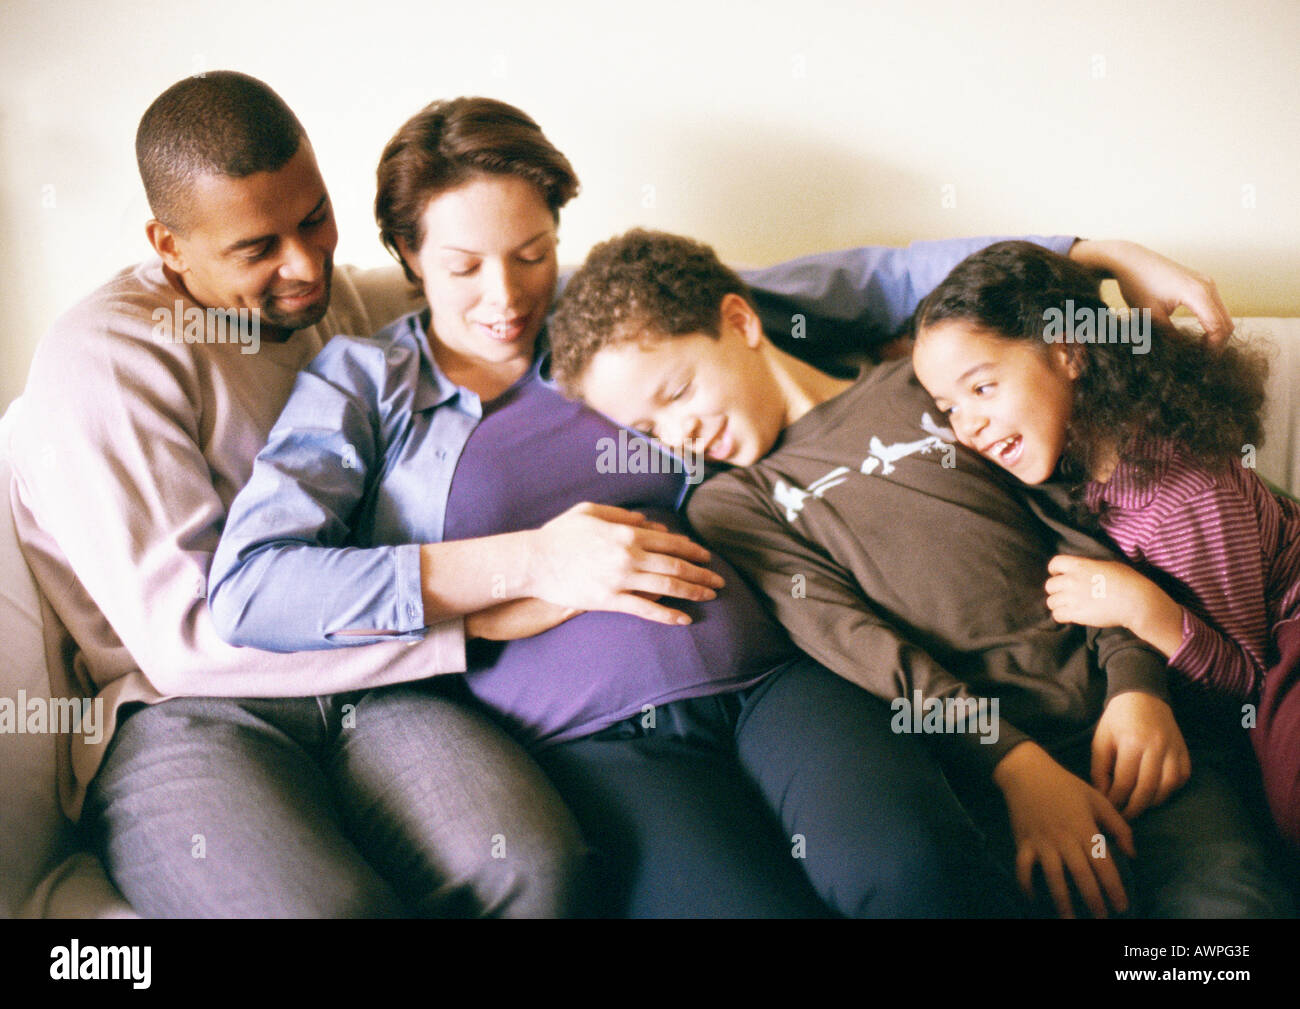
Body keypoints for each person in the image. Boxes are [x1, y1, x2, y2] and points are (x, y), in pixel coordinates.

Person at [203, 94, 1204, 918]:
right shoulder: (365, 382)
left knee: (910, 876)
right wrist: (533, 563)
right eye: (463, 267)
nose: (506, 297)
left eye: (532, 252)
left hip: (779, 675)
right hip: (596, 741)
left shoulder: (621, 327)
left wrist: (1097, 253)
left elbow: (880, 278)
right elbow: (253, 590)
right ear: (406, 257)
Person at [546, 227, 1295, 917]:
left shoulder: (931, 386)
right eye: (648, 430)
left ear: (741, 323)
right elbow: (869, 650)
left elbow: (1079, 525)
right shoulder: (734, 505)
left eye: (676, 393)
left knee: (1223, 920)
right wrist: (1015, 765)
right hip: (997, 771)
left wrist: (1138, 686)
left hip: (1132, 722)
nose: (681, 433)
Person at [9, 72, 592, 917]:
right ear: (169, 245)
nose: (305, 266)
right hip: (187, 712)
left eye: (314, 216)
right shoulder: (104, 358)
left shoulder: (342, 304)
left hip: (373, 698)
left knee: (535, 867)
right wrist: (466, 620)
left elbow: (491, 288)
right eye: (257, 249)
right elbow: (186, 640)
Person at [909, 239, 1300, 852]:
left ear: (1067, 353)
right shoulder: (1070, 459)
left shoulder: (1181, 500)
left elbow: (1246, 682)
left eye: (982, 389)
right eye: (948, 407)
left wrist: (1144, 610)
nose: (967, 426)